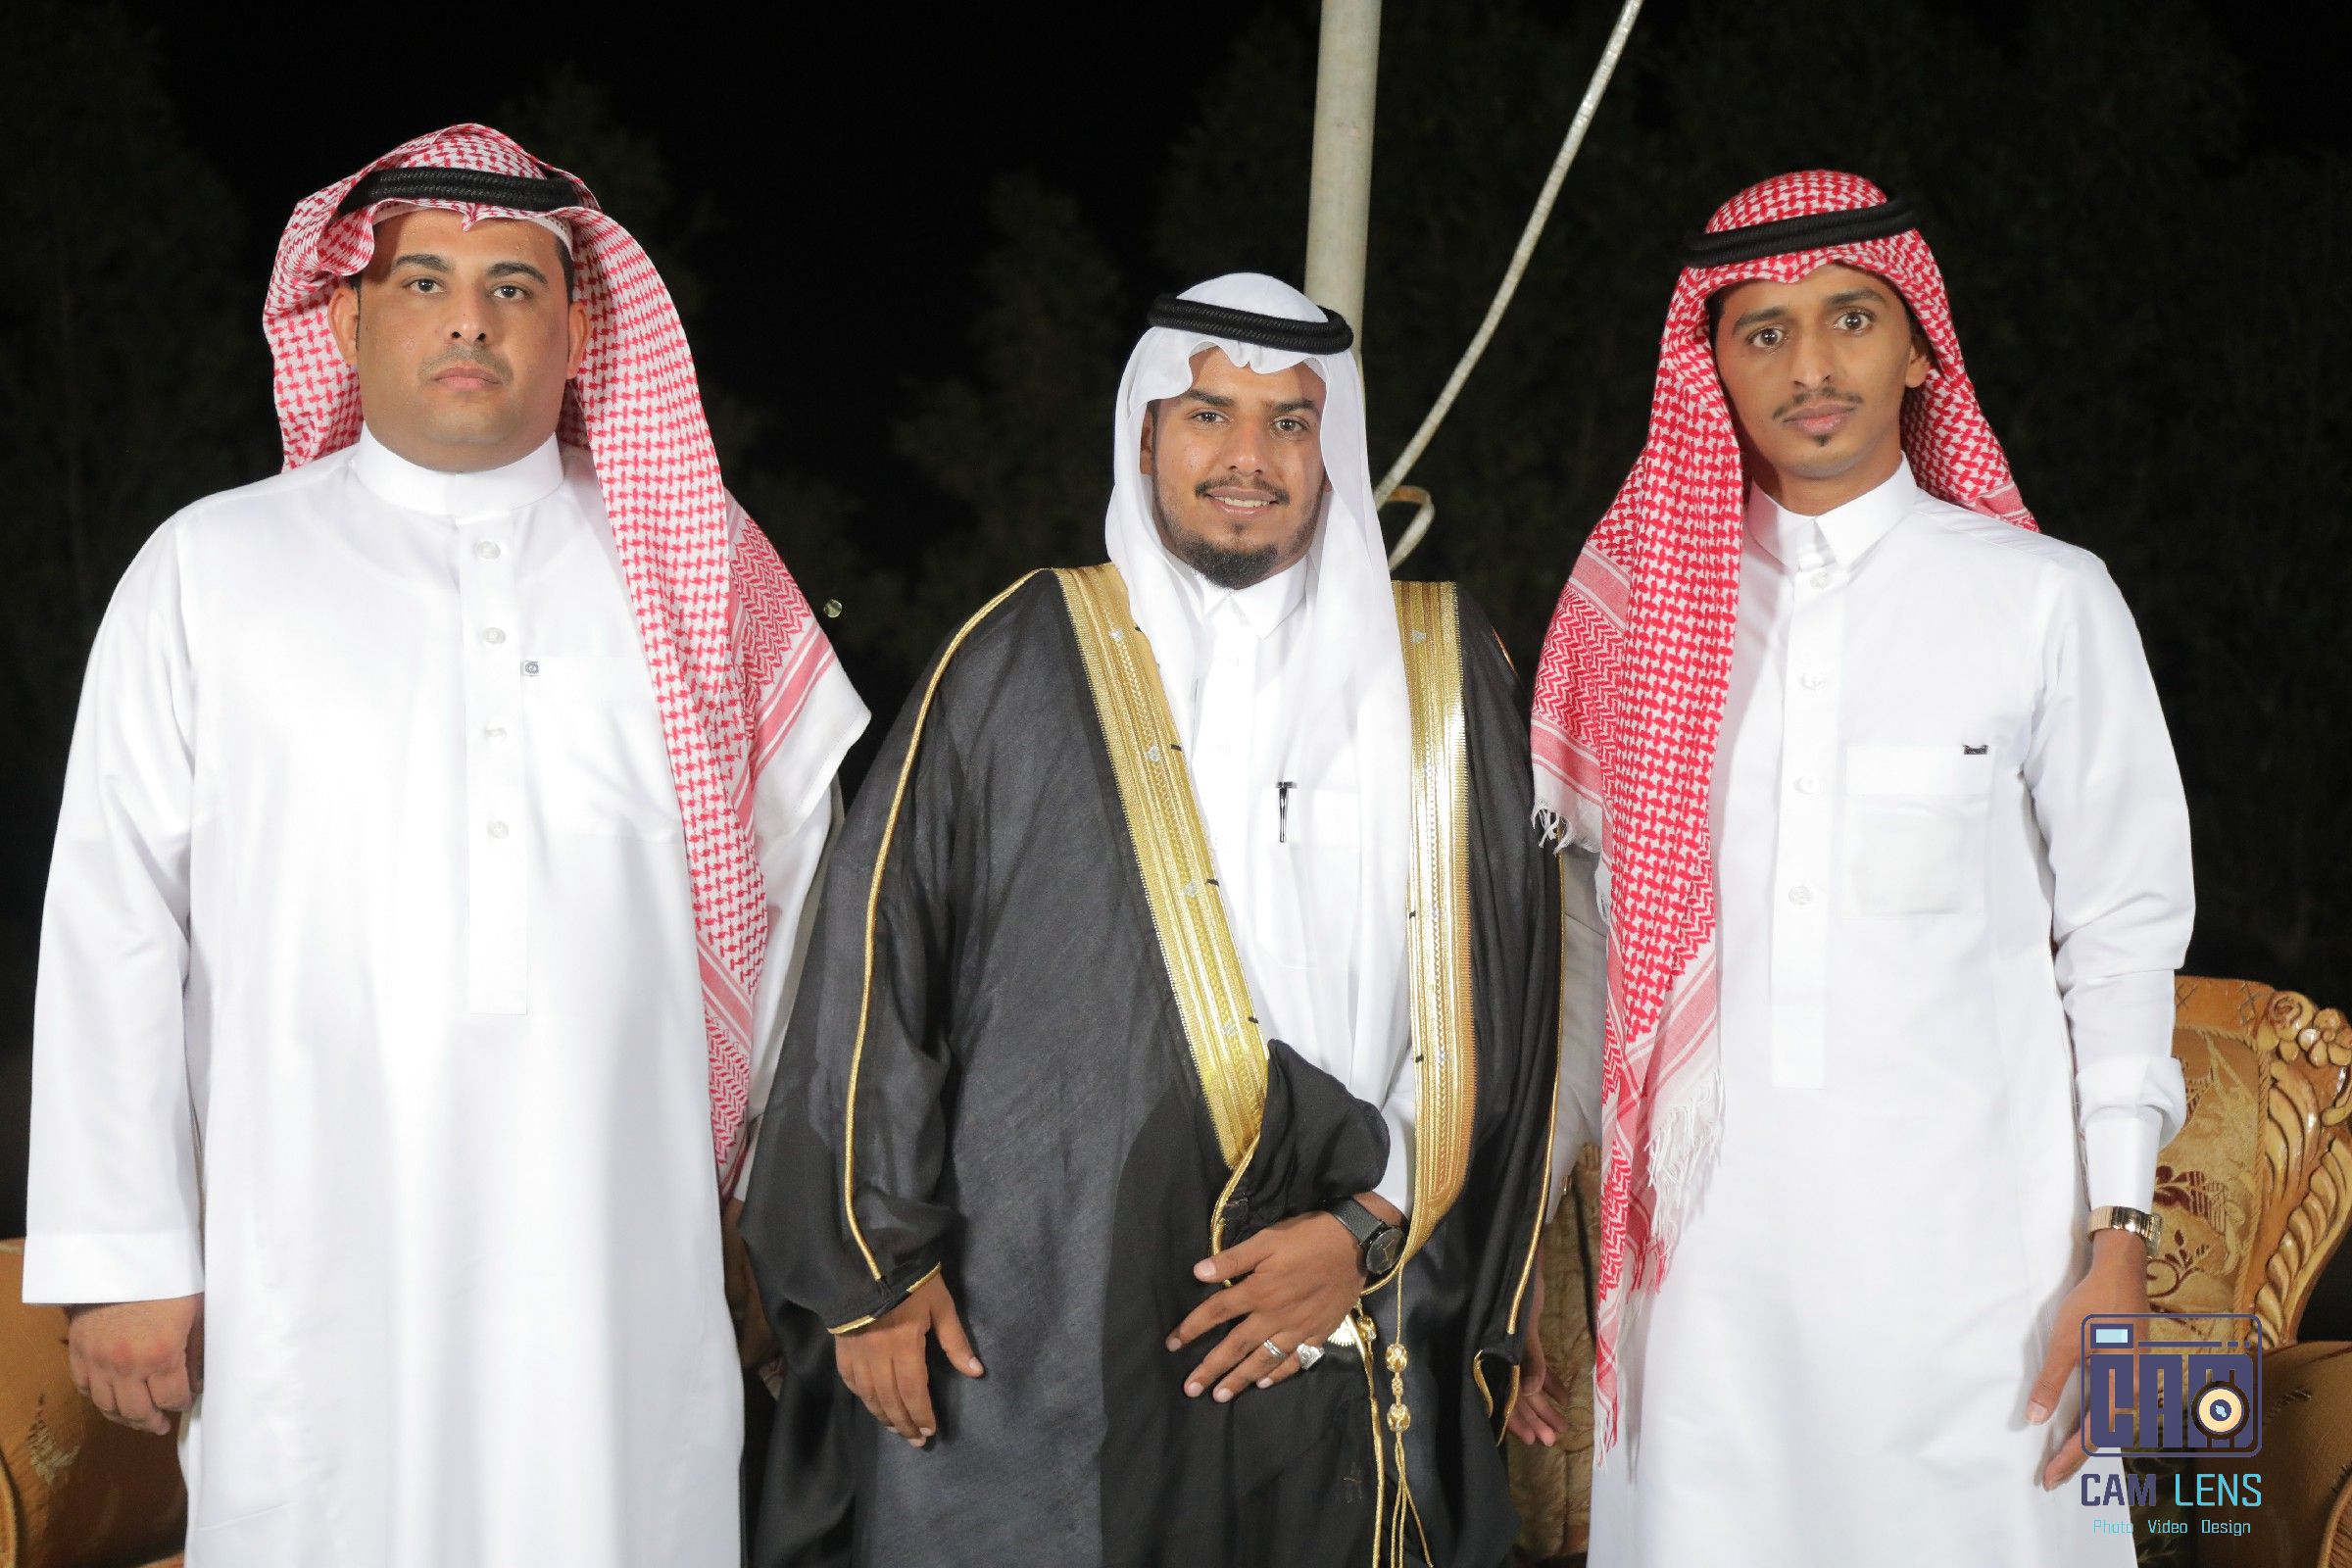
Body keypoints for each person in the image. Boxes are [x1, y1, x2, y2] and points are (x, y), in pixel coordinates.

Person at [20, 124, 865, 1566]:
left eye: (514, 286)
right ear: (346, 319)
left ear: (583, 330)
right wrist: (123, 1255)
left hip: (617, 1242)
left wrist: (763, 1203)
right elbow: (113, 923)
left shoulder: (696, 571)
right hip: (301, 1250)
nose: (470, 318)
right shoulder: (210, 567)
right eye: (424, 283)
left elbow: (802, 904)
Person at [743, 273, 1562, 1567]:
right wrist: (873, 1274)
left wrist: (1368, 1225)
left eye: (1290, 422)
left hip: (1348, 1298)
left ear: (1334, 449)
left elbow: (1504, 994)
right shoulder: (1020, 654)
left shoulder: (1442, 669)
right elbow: (879, 964)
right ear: (1144, 436)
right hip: (1052, 1301)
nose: (1249, 457)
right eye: (1207, 414)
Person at [1527, 170, 2192, 1564]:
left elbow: (2125, 930)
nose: (1811, 366)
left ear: (1919, 351)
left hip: (1987, 1285)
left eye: (1850, 317)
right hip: (1709, 1296)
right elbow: (1584, 947)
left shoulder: (2044, 599)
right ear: (1711, 367)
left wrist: (2120, 1241)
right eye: (1763, 332)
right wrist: (1529, 1242)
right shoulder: (1636, 620)